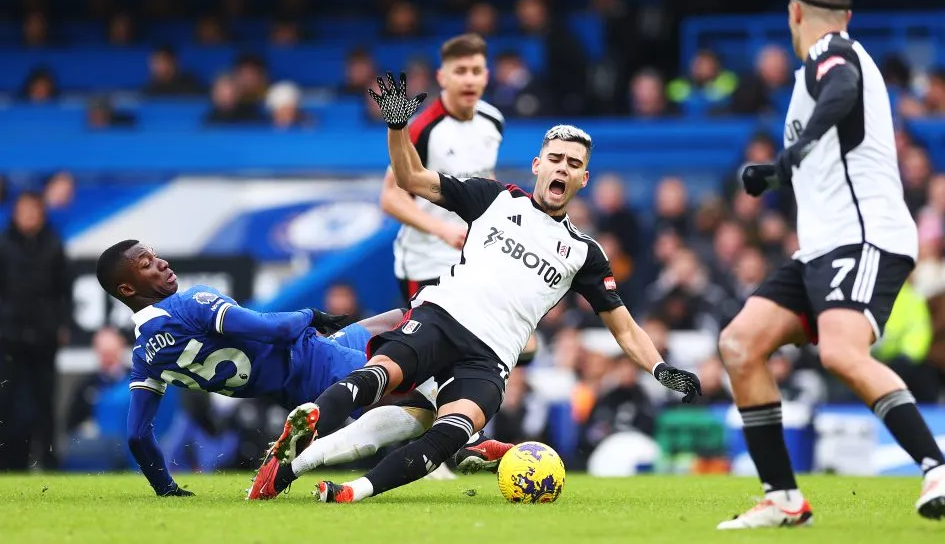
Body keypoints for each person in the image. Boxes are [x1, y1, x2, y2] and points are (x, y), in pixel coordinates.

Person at [263, 73, 701, 505]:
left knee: (446, 432)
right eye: (556, 158)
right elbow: (412, 178)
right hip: (442, 318)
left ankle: (349, 491)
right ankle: (299, 441)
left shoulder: (584, 254)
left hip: (489, 358)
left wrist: (661, 370)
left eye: (573, 164)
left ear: (583, 179)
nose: (562, 168)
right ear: (538, 164)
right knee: (382, 376)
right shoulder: (495, 198)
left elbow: (624, 328)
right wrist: (398, 129)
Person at [730, 0, 945, 528]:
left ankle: (939, 469)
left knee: (841, 352)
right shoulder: (813, 72)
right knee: (741, 343)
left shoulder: (831, 53)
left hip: (863, 237)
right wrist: (778, 173)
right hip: (820, 246)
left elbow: (840, 88)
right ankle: (784, 500)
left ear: (795, 13)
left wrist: (786, 158)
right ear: (847, 11)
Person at [95, 240, 506, 497]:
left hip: (300, 374)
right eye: (146, 263)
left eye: (155, 254)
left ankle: (461, 439)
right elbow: (266, 329)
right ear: (127, 289)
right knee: (420, 399)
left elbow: (136, 435)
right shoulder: (191, 302)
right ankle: (465, 445)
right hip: (314, 360)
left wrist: (166, 489)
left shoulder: (145, 356)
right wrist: (309, 313)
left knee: (410, 316)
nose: (162, 262)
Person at [379, 33, 504, 305]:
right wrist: (442, 230)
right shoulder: (423, 129)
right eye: (460, 71)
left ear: (486, 76)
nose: (469, 79)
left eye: (476, 71)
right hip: (427, 263)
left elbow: (485, 178)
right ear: (442, 77)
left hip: (474, 256)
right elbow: (390, 197)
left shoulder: (493, 120)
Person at [0, 191, 71, 471]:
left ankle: (49, 461)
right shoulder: (3, 245)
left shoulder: (53, 245)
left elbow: (64, 289)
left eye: (34, 210)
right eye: (24, 210)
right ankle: (8, 461)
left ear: (42, 213)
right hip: (8, 336)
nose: (29, 216)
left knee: (45, 401)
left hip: (44, 336)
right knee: (7, 399)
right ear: (15, 213)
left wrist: (62, 324)